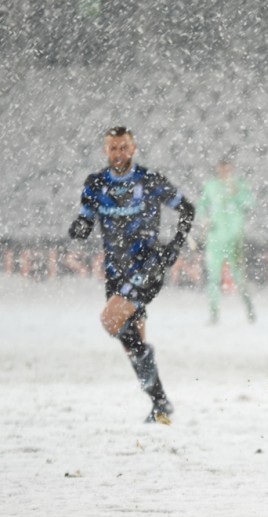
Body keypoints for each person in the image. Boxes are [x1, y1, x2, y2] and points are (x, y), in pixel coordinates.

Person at [68, 126, 195, 425]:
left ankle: (160, 397)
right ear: (105, 151)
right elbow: (85, 219)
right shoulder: (95, 184)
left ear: (133, 148)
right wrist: (80, 229)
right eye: (113, 148)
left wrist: (174, 246)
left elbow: (187, 209)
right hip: (115, 272)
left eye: (124, 147)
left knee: (110, 320)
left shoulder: (149, 180)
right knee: (132, 343)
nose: (118, 153)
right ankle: (159, 404)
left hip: (146, 265)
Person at [198, 157, 256, 324]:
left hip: (234, 237)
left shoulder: (239, 184)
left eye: (227, 169)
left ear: (231, 169)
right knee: (213, 278)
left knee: (239, 276)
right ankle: (214, 313)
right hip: (215, 237)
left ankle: (249, 308)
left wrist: (236, 193)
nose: (224, 172)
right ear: (218, 169)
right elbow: (202, 204)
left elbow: (250, 203)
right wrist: (204, 219)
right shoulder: (211, 185)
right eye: (221, 169)